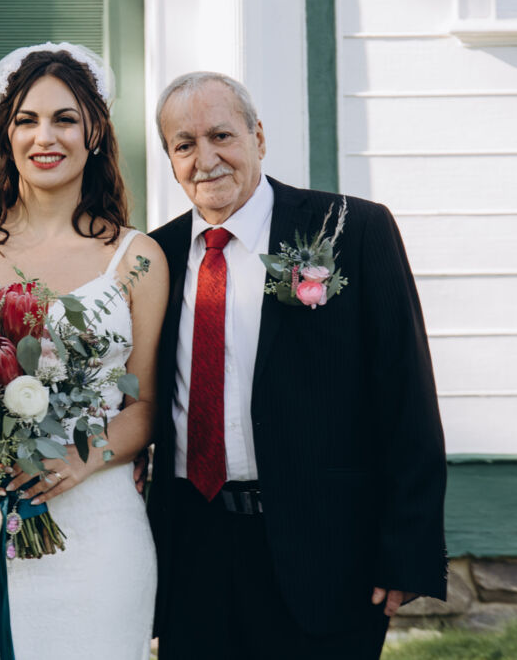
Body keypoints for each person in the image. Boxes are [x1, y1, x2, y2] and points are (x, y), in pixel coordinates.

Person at [146, 72, 448, 660]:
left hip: (326, 549)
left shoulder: (351, 230)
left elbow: (406, 395)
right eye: (184, 145)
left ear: (258, 137)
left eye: (221, 136)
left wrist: (407, 549)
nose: (205, 159)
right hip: (192, 547)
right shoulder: (155, 255)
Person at [0, 43, 169, 660]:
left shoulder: (138, 258)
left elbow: (145, 407)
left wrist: (82, 459)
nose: (44, 137)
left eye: (64, 119)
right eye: (26, 120)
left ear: (94, 132)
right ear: (6, 135)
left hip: (97, 522)